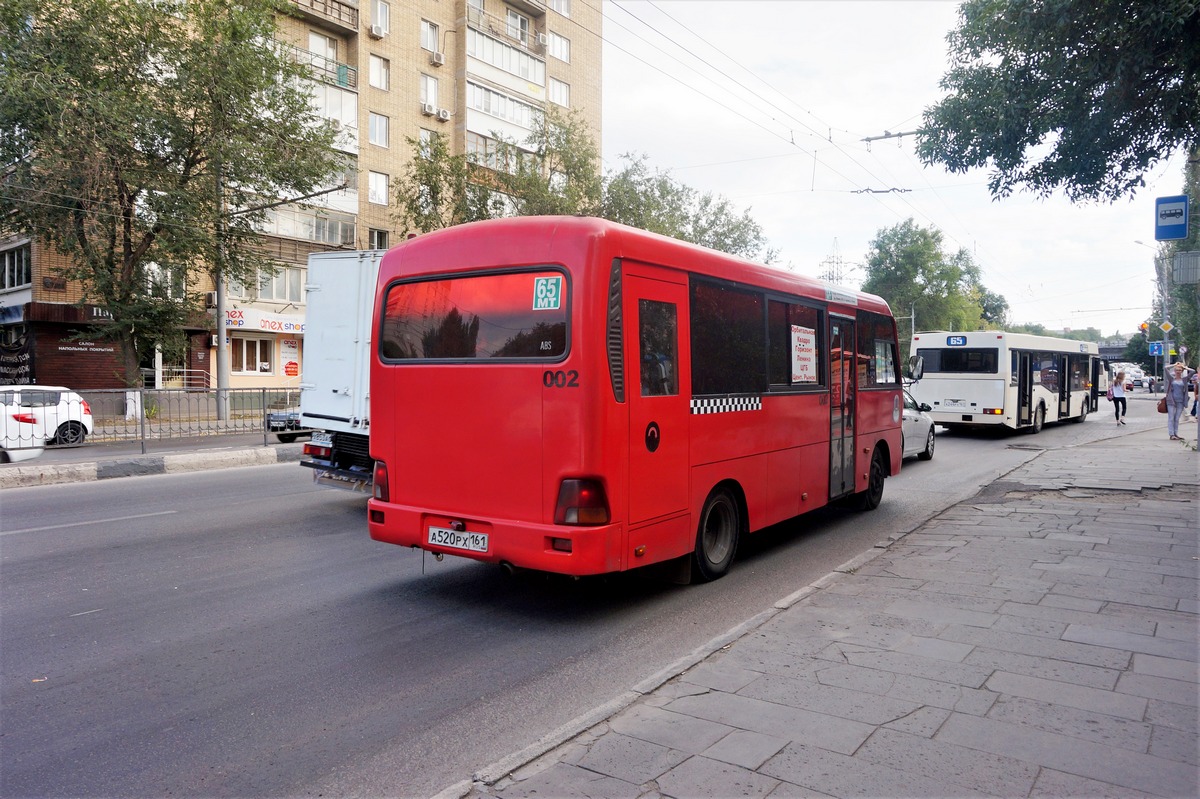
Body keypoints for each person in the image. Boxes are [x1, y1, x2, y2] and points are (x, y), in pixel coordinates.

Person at [1163, 362, 1190, 440]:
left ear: (1182, 371)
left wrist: (1184, 367)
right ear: (1174, 371)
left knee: (1177, 418)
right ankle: (1171, 434)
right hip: (1171, 401)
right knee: (1171, 417)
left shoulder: (1184, 379)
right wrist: (1174, 365)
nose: (1178, 371)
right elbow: (1165, 368)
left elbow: (1192, 371)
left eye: (1180, 370)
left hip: (1181, 401)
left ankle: (1176, 433)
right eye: (1177, 370)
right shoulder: (1171, 379)